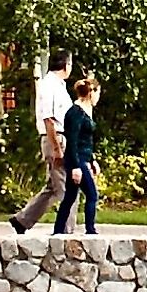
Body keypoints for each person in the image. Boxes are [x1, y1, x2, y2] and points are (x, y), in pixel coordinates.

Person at [8, 48, 71, 233]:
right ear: (66, 65)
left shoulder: (59, 86)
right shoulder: (49, 85)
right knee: (65, 188)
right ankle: (66, 230)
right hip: (55, 137)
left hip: (61, 136)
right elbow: (48, 118)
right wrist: (57, 147)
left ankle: (23, 220)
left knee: (52, 186)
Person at [53, 75, 101, 236]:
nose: (98, 97)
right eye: (97, 93)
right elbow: (72, 141)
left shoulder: (87, 112)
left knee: (70, 196)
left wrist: (92, 160)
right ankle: (90, 229)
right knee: (92, 195)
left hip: (84, 156)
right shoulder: (75, 113)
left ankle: (58, 230)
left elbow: (86, 140)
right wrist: (74, 166)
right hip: (76, 159)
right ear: (91, 92)